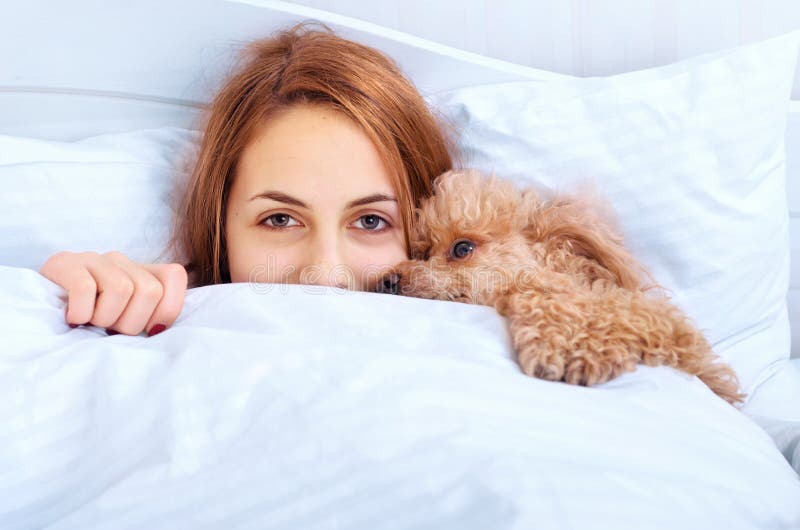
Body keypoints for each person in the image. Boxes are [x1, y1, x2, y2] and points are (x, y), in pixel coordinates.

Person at [38, 22, 458, 337]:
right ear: (220, 232)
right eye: (279, 219)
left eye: (371, 221)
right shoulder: (172, 329)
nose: (327, 275)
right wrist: (57, 297)